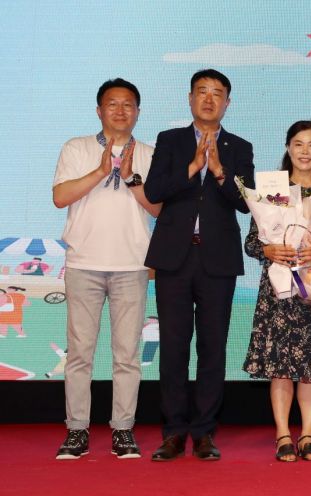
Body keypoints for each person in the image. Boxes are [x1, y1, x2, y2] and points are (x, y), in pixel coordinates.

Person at [144, 69, 254, 461]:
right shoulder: (169, 141)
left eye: (217, 93)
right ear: (189, 99)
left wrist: (220, 170)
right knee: (173, 347)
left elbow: (245, 203)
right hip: (174, 257)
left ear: (228, 102)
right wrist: (192, 167)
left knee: (212, 348)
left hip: (217, 260)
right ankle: (173, 431)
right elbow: (155, 190)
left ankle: (205, 432)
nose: (209, 99)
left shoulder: (240, 147)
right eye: (202, 92)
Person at [51, 78, 160, 459]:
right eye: (112, 104)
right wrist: (100, 172)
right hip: (83, 263)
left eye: (128, 104)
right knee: (80, 352)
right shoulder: (76, 147)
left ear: (137, 112)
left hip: (132, 265)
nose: (120, 110)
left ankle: (123, 430)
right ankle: (77, 430)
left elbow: (161, 209)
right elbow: (60, 197)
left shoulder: (149, 153)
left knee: (126, 355)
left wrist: (131, 178)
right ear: (99, 110)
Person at [243, 121, 311, 462]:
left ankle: (307, 434)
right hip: (279, 291)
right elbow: (251, 242)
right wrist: (269, 250)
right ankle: (282, 434)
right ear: (288, 148)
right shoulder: (270, 193)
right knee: (280, 365)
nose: (305, 151)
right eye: (299, 144)